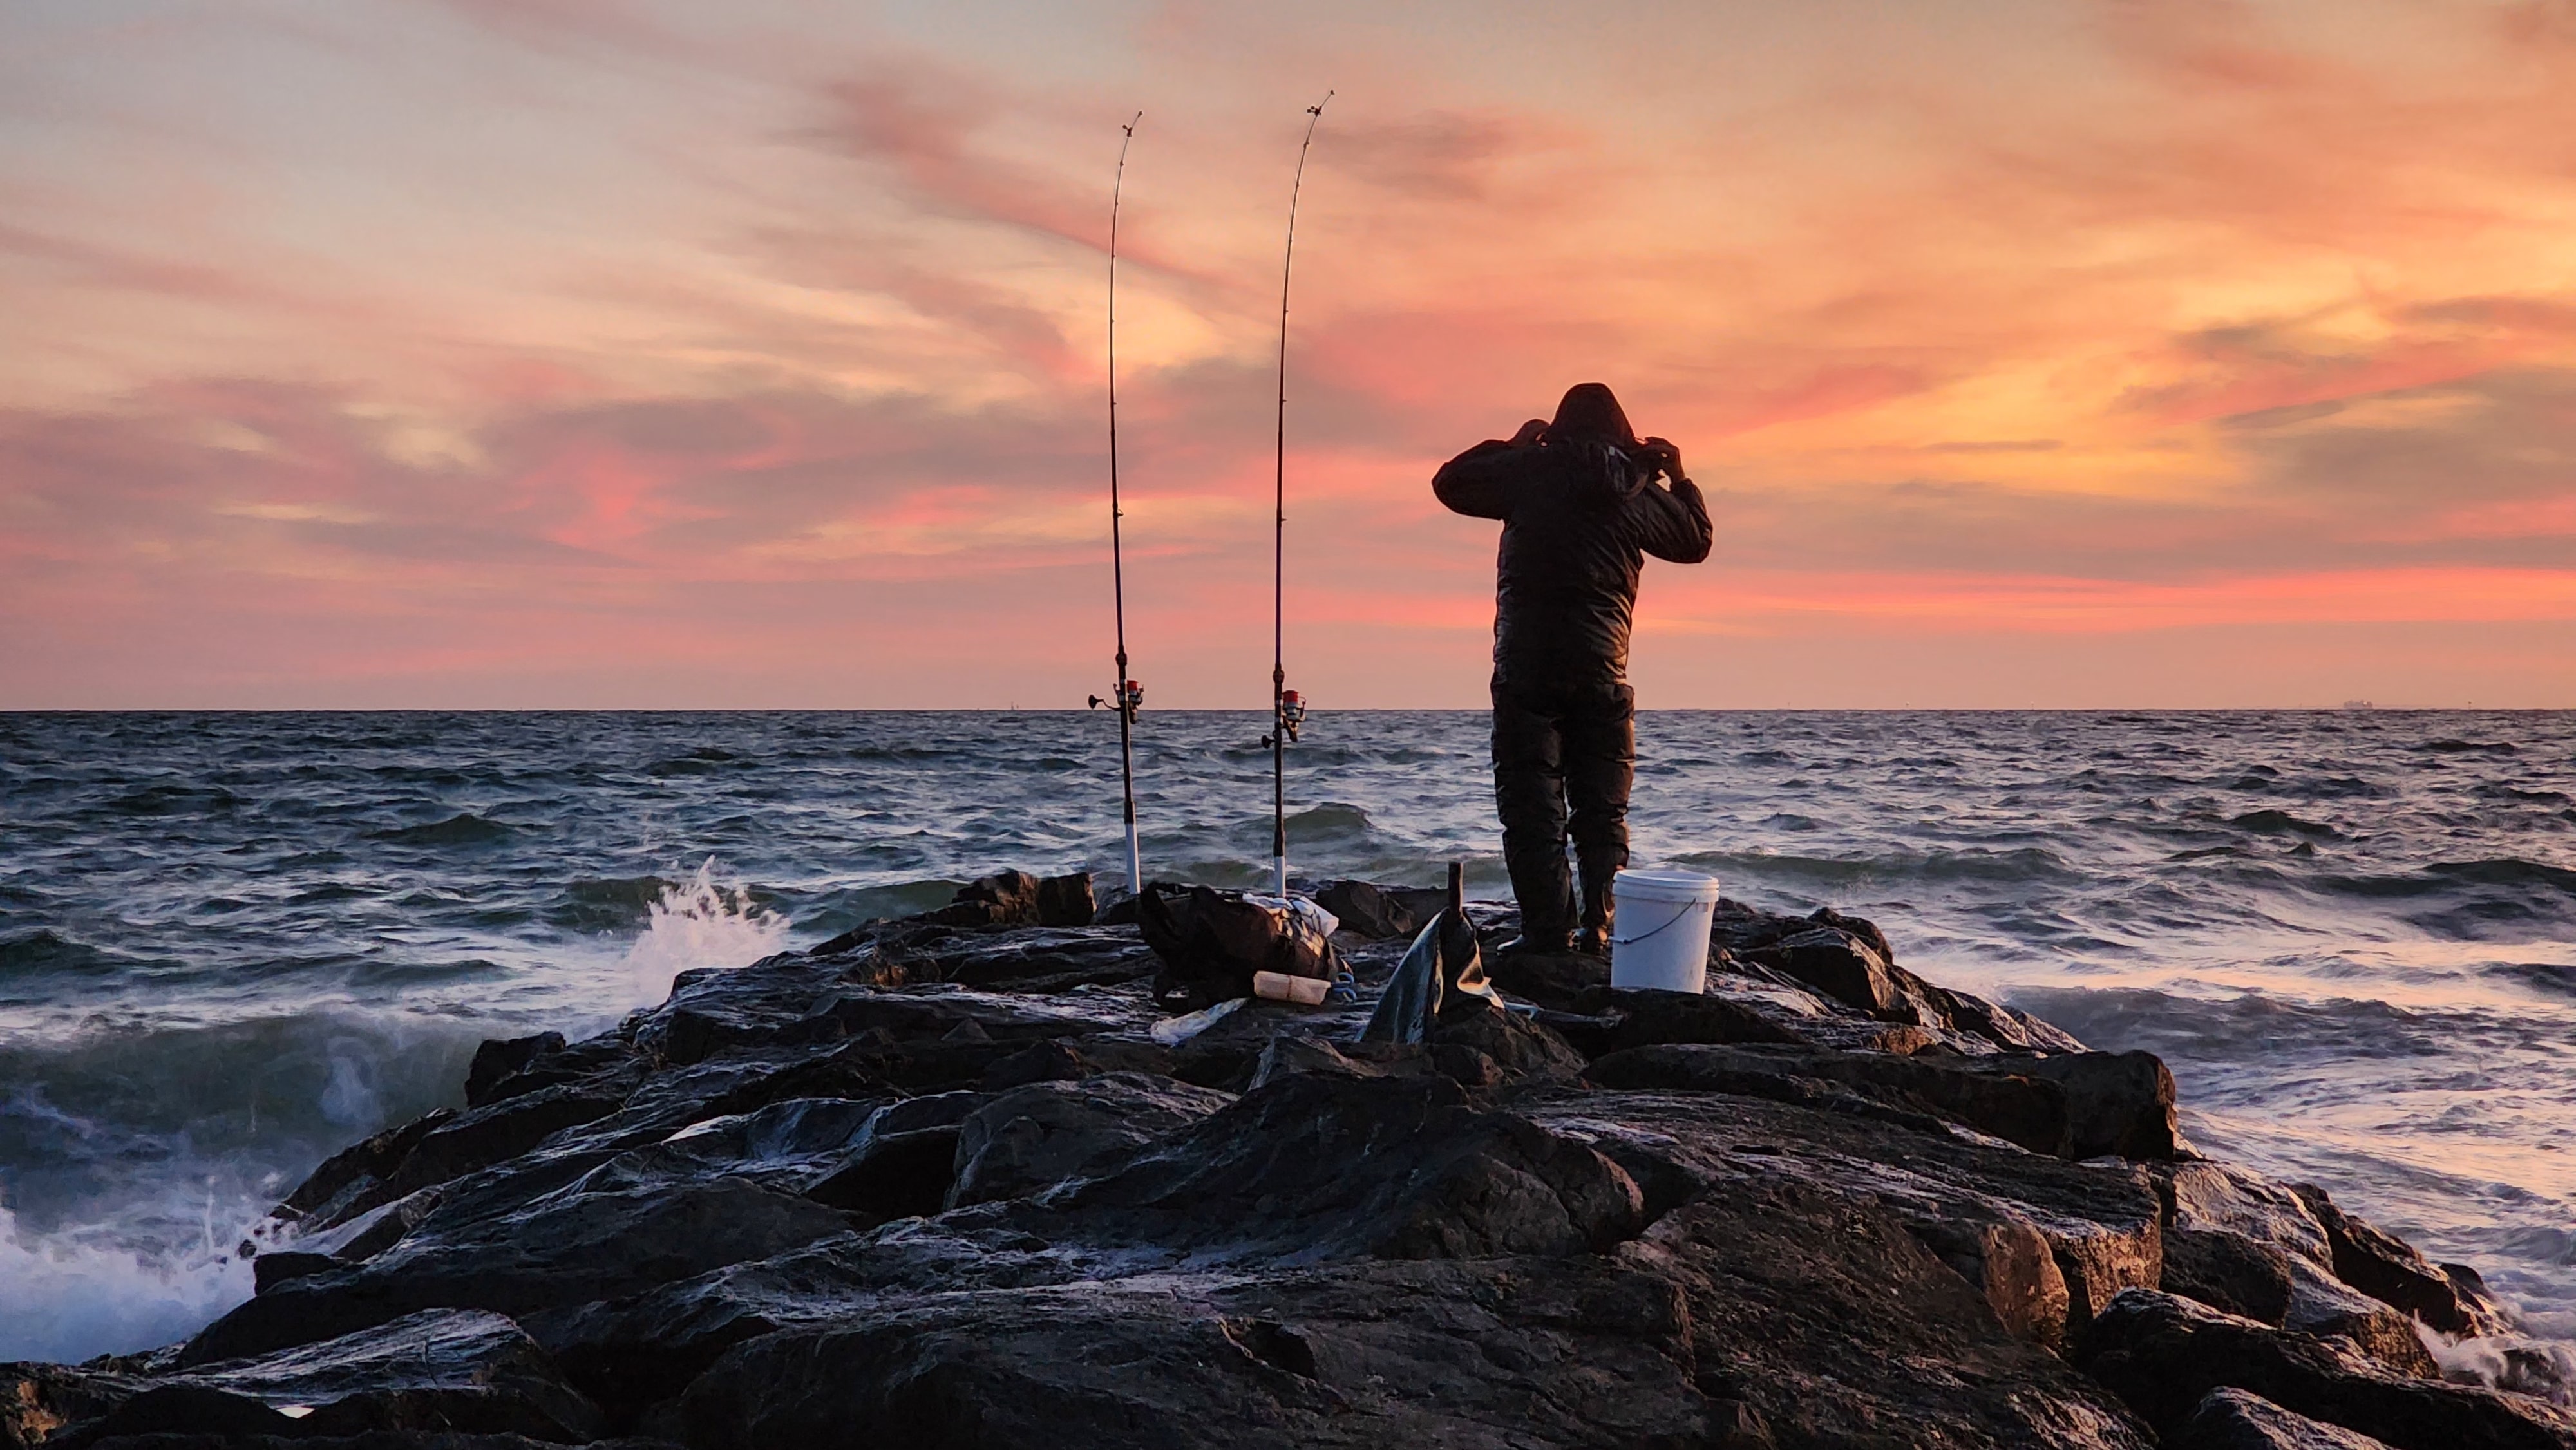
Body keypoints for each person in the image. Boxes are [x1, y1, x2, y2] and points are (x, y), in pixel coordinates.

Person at [1433, 383, 1711, 955]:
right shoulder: (1635, 490)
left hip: (1525, 668)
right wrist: (1679, 476)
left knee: (1532, 811)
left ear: (1555, 430)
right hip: (1601, 669)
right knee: (1602, 812)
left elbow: (1450, 483)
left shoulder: (1525, 474)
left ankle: (1547, 933)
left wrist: (1511, 445)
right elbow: (1695, 541)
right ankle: (1601, 927)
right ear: (1625, 435)